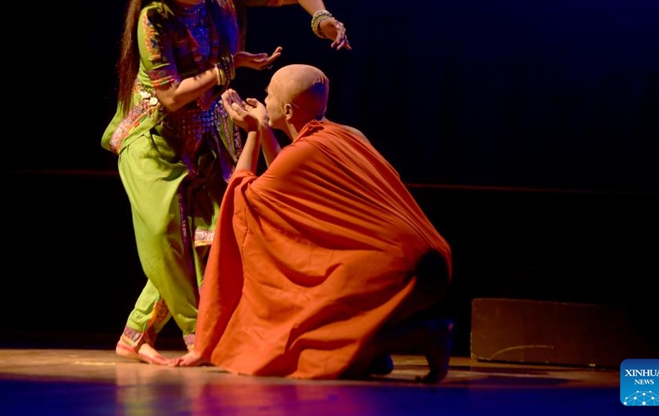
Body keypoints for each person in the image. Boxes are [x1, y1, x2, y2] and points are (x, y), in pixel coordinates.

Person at [101, 0, 351, 366]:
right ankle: (200, 335)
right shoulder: (153, 21)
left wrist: (322, 19)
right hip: (153, 135)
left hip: (205, 131)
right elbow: (172, 96)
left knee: (216, 234)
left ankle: (136, 334)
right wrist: (226, 68)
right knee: (166, 233)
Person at [172, 64, 454, 383]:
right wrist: (264, 129)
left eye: (269, 95)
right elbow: (284, 178)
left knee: (307, 352)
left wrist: (253, 132)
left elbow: (243, 197)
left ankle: (425, 335)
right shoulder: (350, 135)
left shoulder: (304, 152)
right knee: (341, 342)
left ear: (287, 110)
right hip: (432, 257)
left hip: (395, 267)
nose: (264, 99)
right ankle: (374, 349)